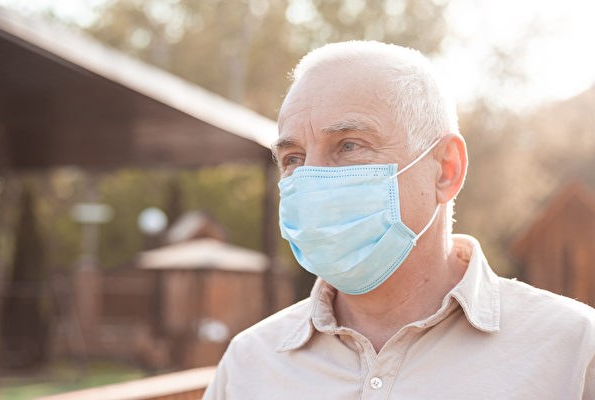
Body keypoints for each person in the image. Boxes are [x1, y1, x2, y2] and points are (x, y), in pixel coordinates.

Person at [203, 41, 595, 399]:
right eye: (293, 158)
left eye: (349, 145)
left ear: (446, 170)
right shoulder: (248, 365)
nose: (311, 179)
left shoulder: (573, 352)